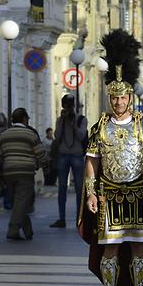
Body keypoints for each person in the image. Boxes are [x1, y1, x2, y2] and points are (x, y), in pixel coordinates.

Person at [80, 29, 143, 286]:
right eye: (114, 98)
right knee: (110, 248)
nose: (118, 102)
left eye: (122, 98)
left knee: (140, 248)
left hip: (139, 194)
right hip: (109, 197)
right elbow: (91, 163)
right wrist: (91, 194)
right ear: (110, 98)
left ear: (130, 97)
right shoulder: (99, 127)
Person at [0, 108, 47, 240]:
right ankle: (13, 229)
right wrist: (42, 165)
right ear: (24, 119)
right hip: (25, 171)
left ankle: (28, 230)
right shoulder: (30, 134)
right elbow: (41, 154)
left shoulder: (4, 135)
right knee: (21, 201)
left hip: (8, 171)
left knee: (19, 201)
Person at [50, 94, 88, 228]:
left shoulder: (81, 119)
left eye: (70, 106)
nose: (69, 109)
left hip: (77, 155)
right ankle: (61, 218)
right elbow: (57, 136)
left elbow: (81, 136)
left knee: (79, 188)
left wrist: (73, 125)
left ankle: (80, 218)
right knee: (62, 187)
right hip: (63, 155)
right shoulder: (60, 119)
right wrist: (62, 121)